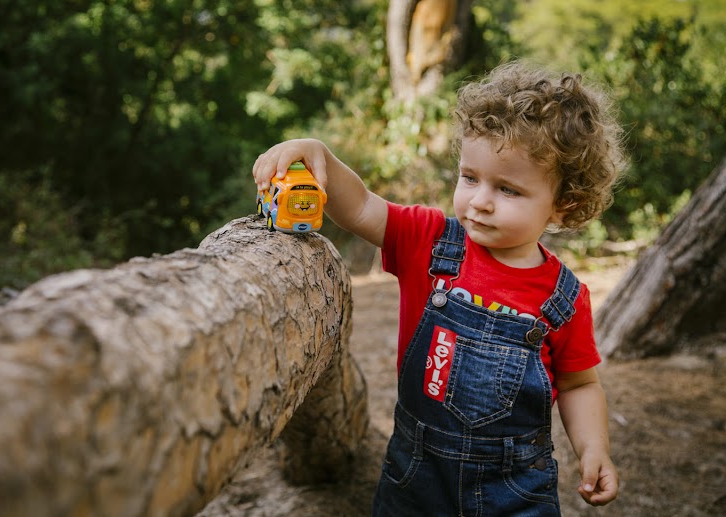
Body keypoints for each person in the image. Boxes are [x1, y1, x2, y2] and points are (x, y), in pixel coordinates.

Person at [253, 60, 626, 516]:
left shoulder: (564, 297)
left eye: (508, 189)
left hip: (515, 489)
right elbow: (364, 207)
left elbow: (579, 384)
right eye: (470, 177)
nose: (480, 201)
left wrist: (593, 447)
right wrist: (321, 156)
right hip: (416, 475)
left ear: (563, 206)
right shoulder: (430, 242)